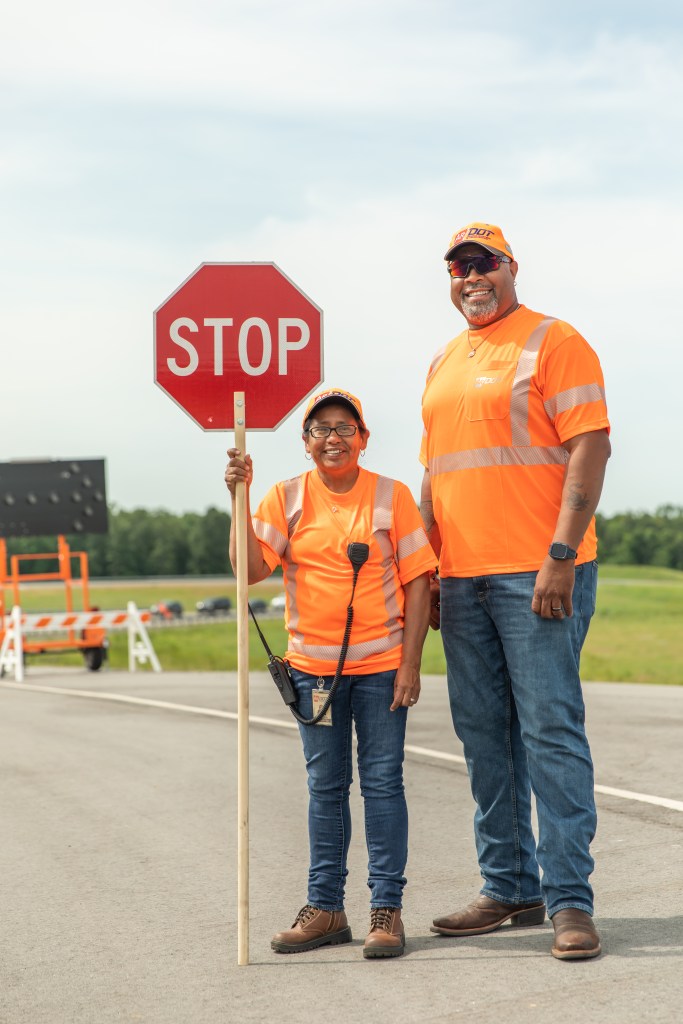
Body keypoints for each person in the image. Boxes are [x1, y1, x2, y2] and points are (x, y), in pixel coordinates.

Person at [420, 222, 611, 961]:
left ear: (510, 267)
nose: (471, 276)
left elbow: (590, 444)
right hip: (461, 578)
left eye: (483, 263)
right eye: (457, 267)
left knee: (549, 732)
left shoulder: (554, 340)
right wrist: (430, 569)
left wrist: (560, 553)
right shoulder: (443, 360)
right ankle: (509, 886)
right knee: (482, 737)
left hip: (538, 573)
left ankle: (569, 901)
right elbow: (436, 474)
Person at [225, 388, 435, 959]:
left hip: (383, 670)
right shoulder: (286, 497)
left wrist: (411, 663)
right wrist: (239, 499)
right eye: (321, 429)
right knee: (325, 788)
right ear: (306, 441)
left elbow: (419, 580)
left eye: (345, 427)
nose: (333, 438)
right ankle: (326, 908)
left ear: (363, 438)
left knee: (383, 784)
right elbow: (249, 569)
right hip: (313, 674)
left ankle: (386, 909)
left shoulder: (391, 496)